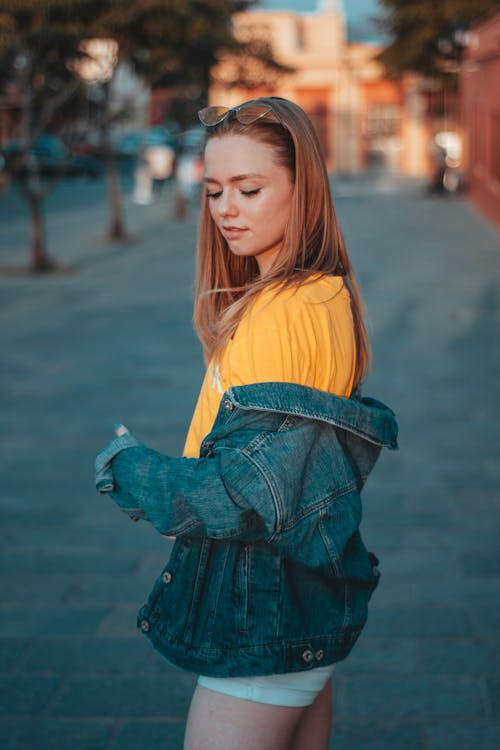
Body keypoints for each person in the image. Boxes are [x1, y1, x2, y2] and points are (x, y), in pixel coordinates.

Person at [95, 97, 398, 750]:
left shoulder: (278, 312)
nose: (227, 208)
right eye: (214, 191)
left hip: (258, 610)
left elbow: (250, 492)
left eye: (250, 189)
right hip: (307, 608)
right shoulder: (329, 293)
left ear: (302, 189)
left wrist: (129, 468)